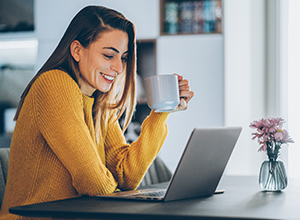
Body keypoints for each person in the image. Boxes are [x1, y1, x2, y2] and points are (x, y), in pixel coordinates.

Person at [0, 5, 194, 220]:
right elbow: (93, 183)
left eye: (123, 57)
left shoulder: (98, 103)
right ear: (76, 50)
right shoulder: (54, 83)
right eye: (109, 55)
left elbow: (126, 176)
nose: (119, 68)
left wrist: (161, 111)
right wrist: (117, 192)